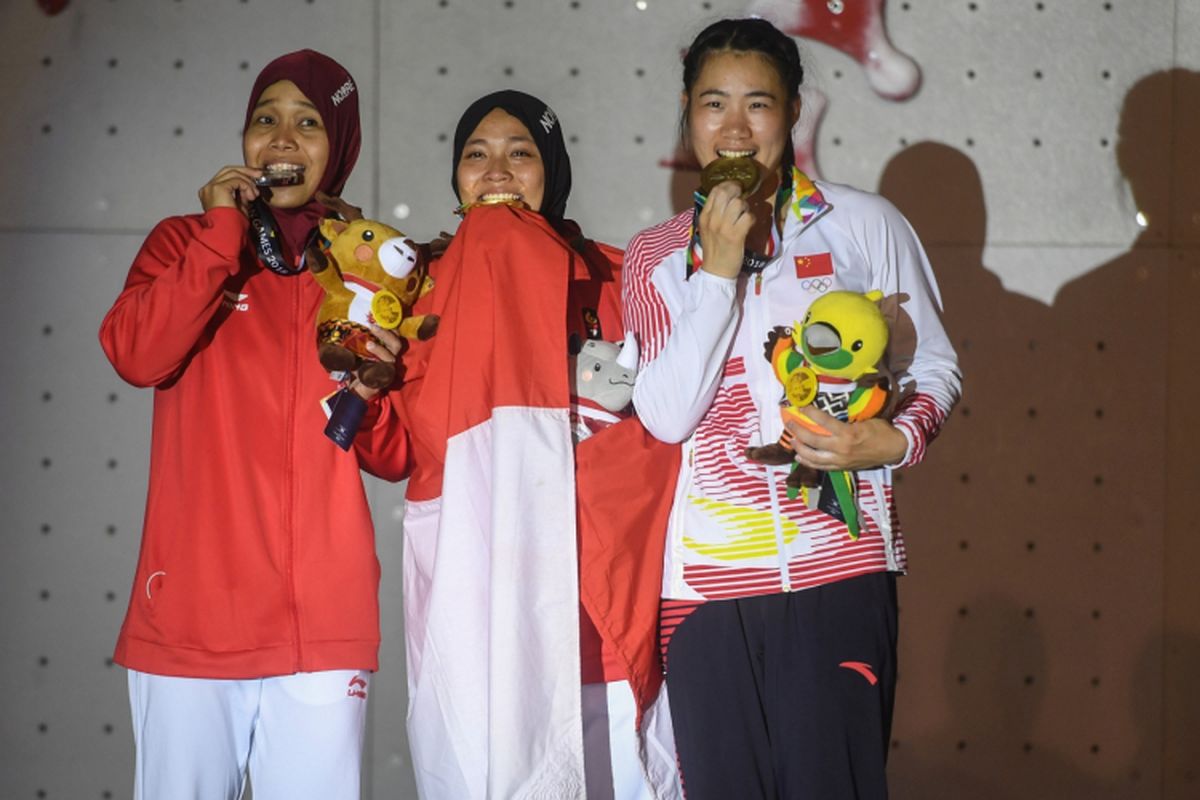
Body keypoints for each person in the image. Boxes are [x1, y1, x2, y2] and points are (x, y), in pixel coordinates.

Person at [622, 18, 962, 799]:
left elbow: (935, 364)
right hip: (704, 593)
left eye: (758, 105)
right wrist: (717, 273)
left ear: (795, 112)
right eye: (713, 104)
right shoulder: (653, 255)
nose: (735, 128)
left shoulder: (862, 223)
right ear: (687, 111)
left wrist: (895, 440)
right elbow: (667, 417)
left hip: (840, 574)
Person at [98, 50, 407, 800]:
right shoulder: (186, 244)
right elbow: (137, 355)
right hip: (191, 619)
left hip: (322, 625)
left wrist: (368, 390)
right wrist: (218, 236)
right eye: (265, 120)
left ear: (341, 146)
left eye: (307, 124)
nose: (281, 140)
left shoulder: (371, 273)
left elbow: (397, 455)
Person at [373, 90, 681, 799]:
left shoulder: (616, 278)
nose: (496, 170)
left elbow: (666, 427)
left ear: (554, 171)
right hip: (479, 605)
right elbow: (396, 455)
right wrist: (366, 386)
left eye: (520, 153)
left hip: (600, 605)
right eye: (475, 155)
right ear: (455, 177)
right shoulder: (416, 289)